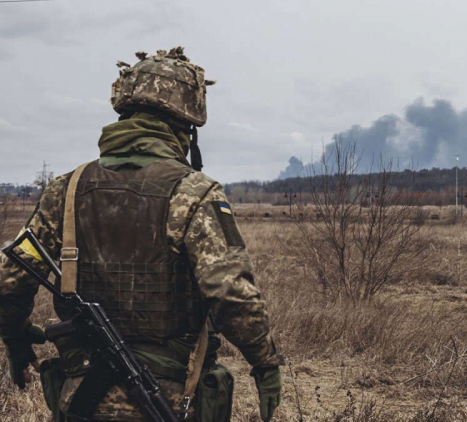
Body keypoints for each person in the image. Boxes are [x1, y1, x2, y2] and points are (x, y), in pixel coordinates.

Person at [0, 47, 283, 421]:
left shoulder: (65, 191)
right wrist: (265, 364)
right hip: (169, 398)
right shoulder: (193, 192)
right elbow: (231, 294)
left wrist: (16, 341)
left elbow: (10, 279)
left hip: (79, 397)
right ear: (186, 128)